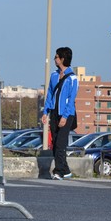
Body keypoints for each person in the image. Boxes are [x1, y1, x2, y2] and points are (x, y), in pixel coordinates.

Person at [42, 47, 79, 180]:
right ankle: (66, 170)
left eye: (56, 57)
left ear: (62, 59)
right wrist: (45, 112)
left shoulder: (73, 79)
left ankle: (58, 172)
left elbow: (71, 99)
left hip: (67, 114)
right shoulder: (53, 75)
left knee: (60, 144)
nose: (54, 59)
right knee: (55, 142)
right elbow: (50, 94)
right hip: (54, 113)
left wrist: (64, 117)